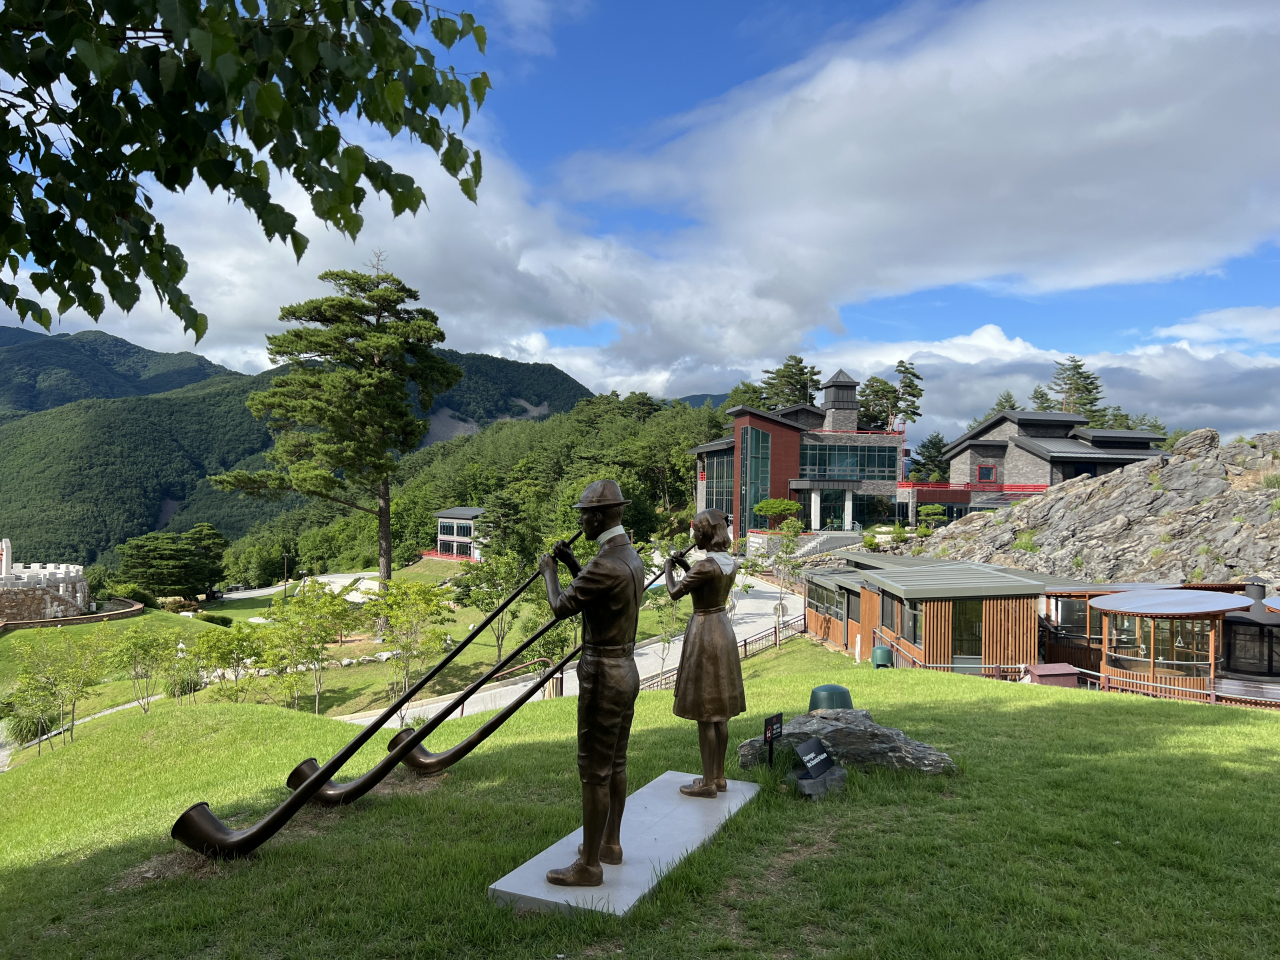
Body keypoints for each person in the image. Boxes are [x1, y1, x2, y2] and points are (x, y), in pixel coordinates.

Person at [539, 479, 645, 886]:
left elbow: (561, 606)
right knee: (615, 763)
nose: (581, 520)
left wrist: (550, 572)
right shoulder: (627, 556)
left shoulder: (604, 563)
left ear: (598, 517)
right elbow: (601, 595)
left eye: (583, 513)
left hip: (602, 672)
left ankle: (589, 867)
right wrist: (570, 564)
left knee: (593, 771)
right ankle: (609, 845)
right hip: (627, 668)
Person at [665, 508, 747, 798]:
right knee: (720, 713)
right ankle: (720, 777)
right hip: (723, 629)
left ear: (706, 534)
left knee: (706, 712)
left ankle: (707, 782)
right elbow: (705, 582)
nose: (693, 536)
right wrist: (687, 565)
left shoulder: (705, 566)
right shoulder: (730, 563)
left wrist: (668, 568)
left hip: (703, 631)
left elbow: (675, 592)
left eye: (697, 531)